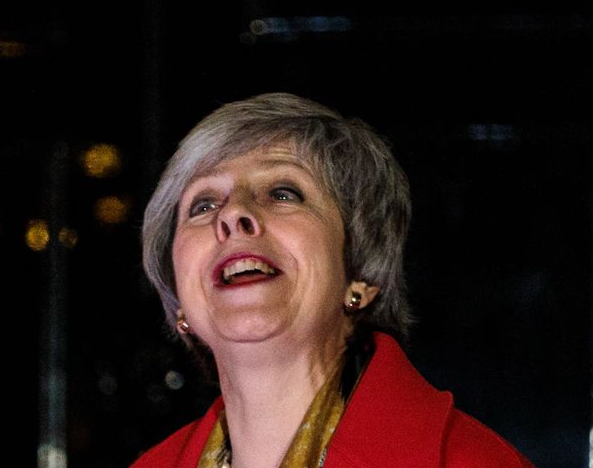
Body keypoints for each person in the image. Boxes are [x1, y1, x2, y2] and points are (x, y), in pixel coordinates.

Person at [131, 92, 534, 468]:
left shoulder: (471, 459)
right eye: (203, 204)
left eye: (283, 193)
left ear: (360, 273)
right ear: (178, 299)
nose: (233, 214)